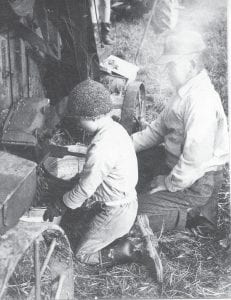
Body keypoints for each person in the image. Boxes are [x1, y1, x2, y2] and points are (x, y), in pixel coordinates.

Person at [43, 79, 161, 278]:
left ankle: (134, 248)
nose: (78, 123)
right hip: (124, 203)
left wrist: (60, 205)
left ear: (90, 117)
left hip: (116, 211)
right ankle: (129, 232)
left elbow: (84, 190)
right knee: (80, 226)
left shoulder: (102, 147)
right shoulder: (115, 129)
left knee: (82, 255)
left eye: (79, 119)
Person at [132, 30, 229, 235]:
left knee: (131, 216)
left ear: (192, 64)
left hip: (198, 180)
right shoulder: (183, 92)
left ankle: (195, 215)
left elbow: (195, 159)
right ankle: (169, 201)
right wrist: (125, 146)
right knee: (135, 161)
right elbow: (157, 130)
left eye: (172, 65)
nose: (167, 71)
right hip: (180, 166)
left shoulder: (200, 101)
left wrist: (168, 183)